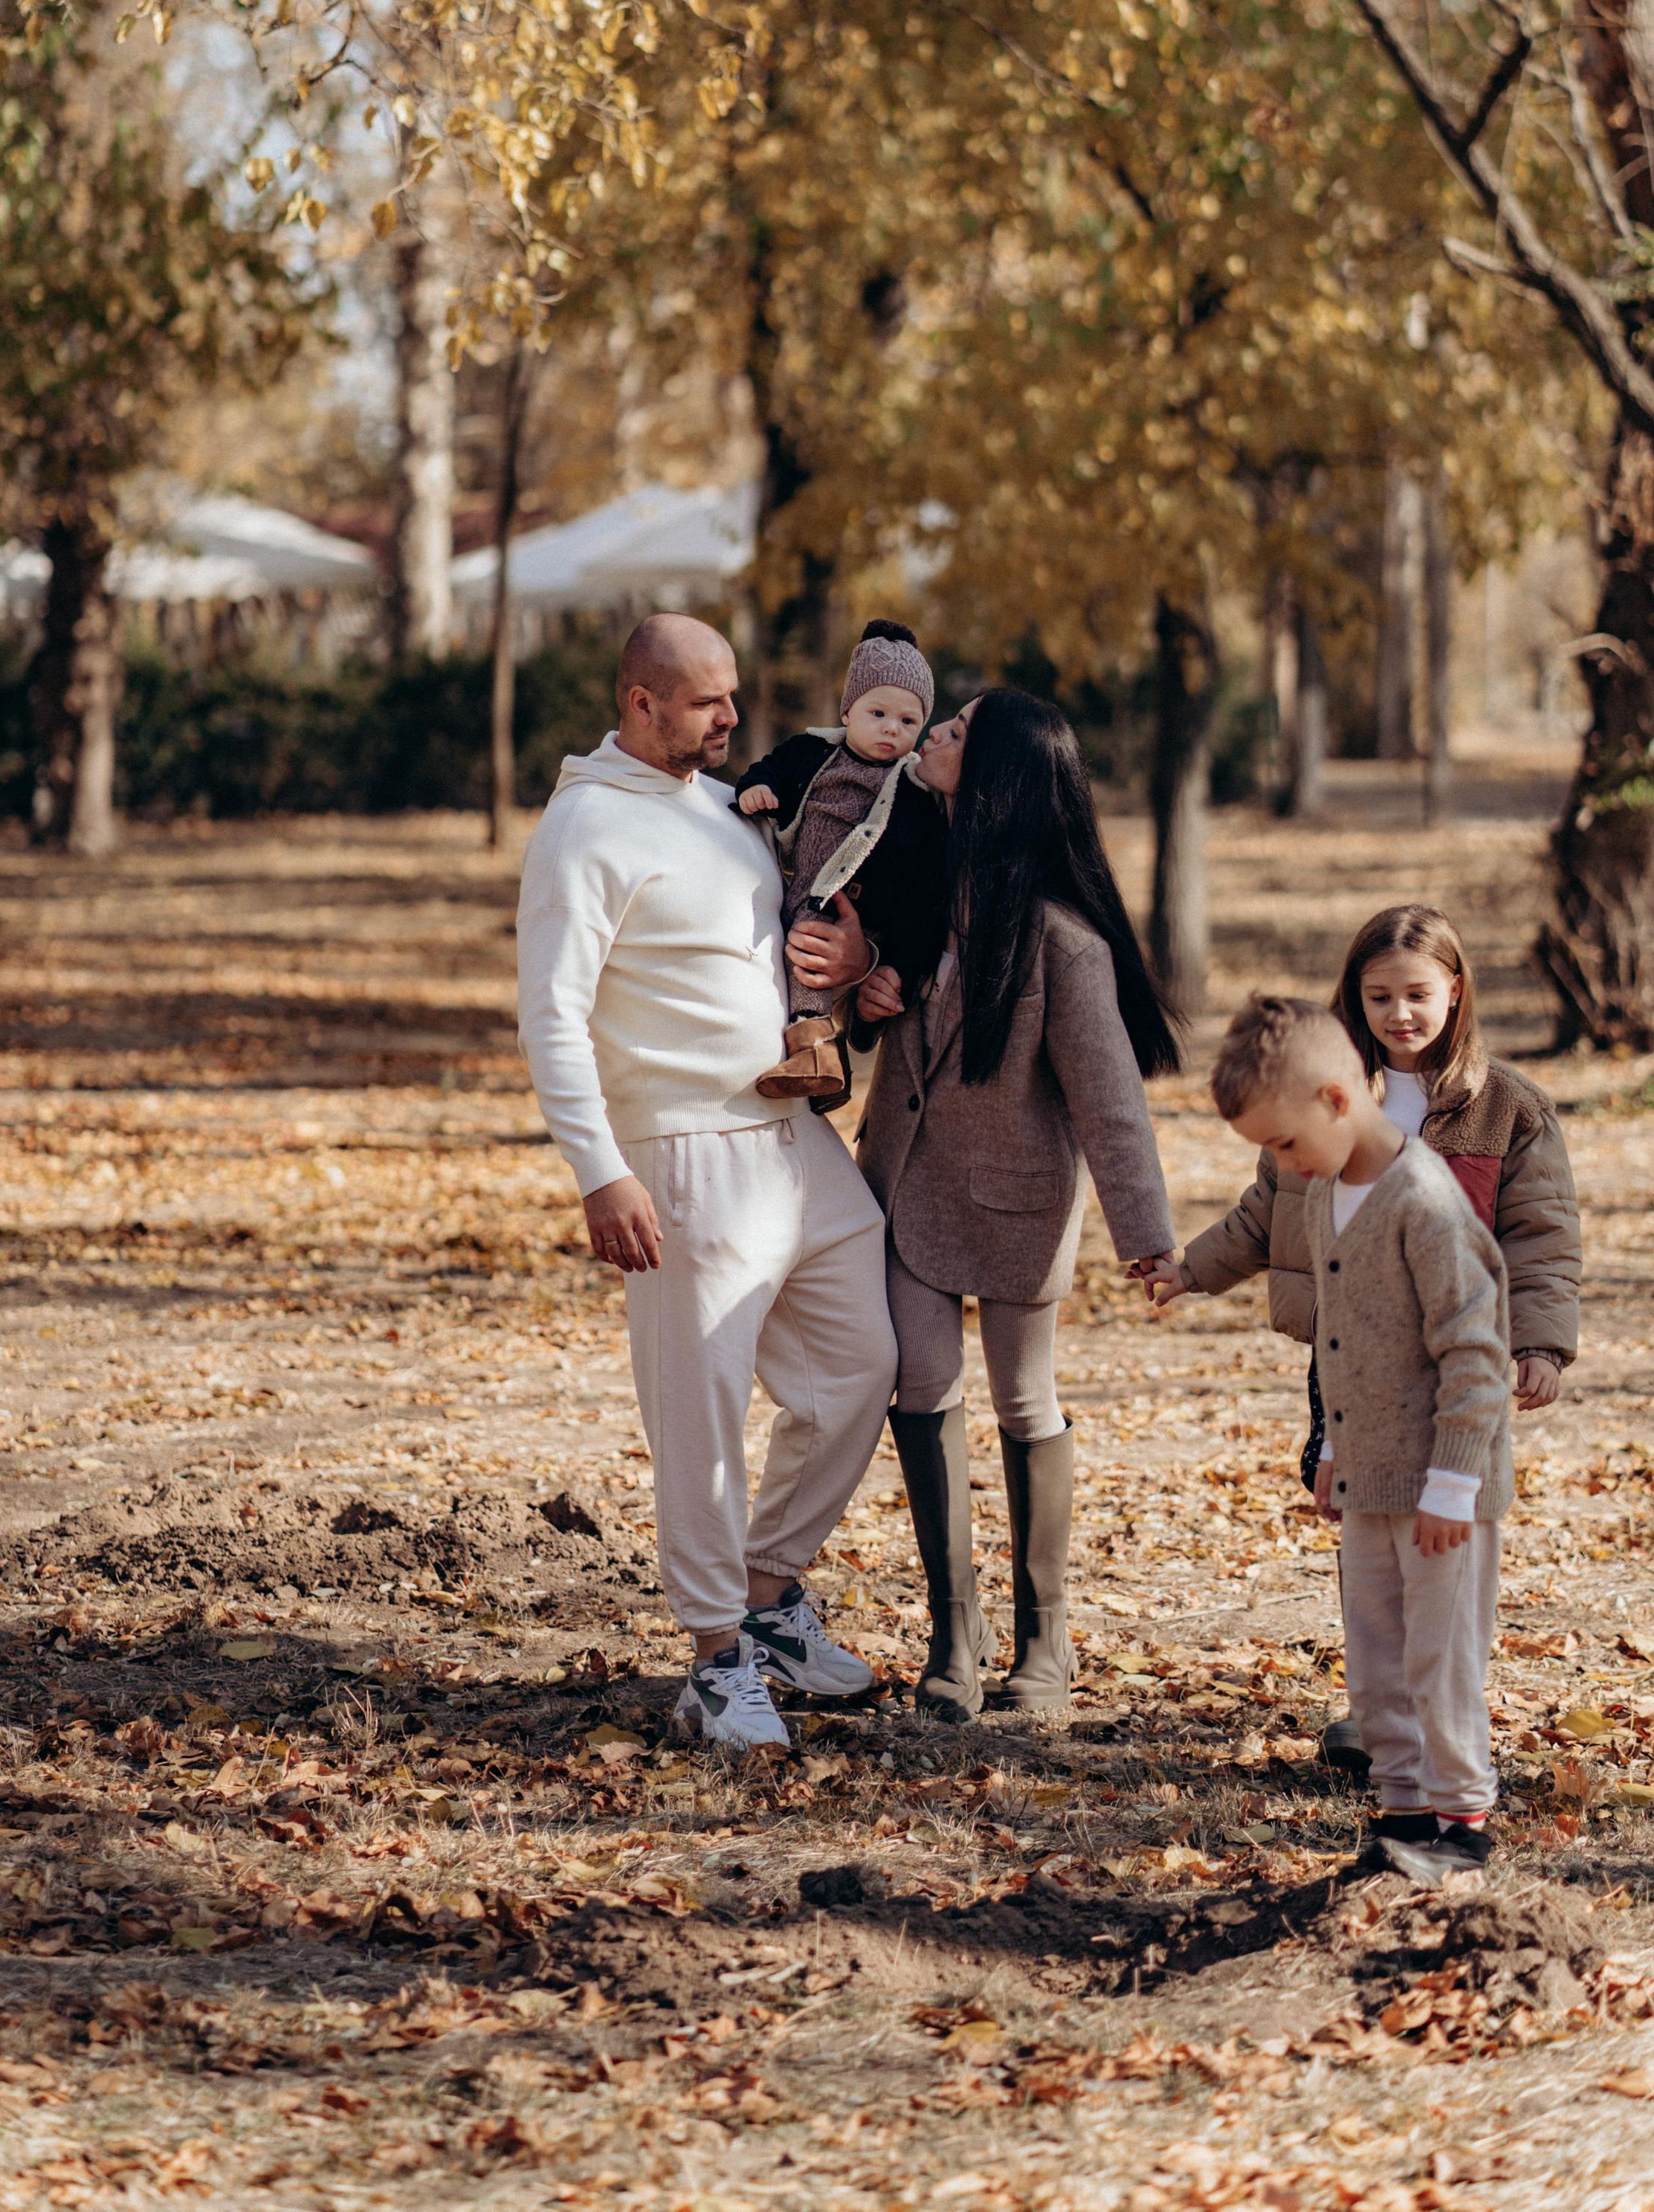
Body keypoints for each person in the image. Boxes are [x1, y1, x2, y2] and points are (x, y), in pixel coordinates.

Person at [514, 613, 896, 1755]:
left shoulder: (726, 810)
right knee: (704, 1411)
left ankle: (770, 1591)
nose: (733, 719)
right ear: (640, 703)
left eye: (733, 696)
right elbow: (553, 1015)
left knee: (862, 1363)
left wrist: (859, 963)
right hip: (681, 1156)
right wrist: (600, 1172)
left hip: (791, 1135)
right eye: (706, 702)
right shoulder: (584, 830)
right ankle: (716, 1659)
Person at [1143, 900, 1578, 1774]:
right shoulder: (1316, 1098)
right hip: (1346, 1345)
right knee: (1360, 1506)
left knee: (1443, 1523)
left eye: (1416, 995)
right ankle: (1376, 1706)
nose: (1399, 1015)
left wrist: (1539, 1345)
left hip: (1459, 1356)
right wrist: (1191, 1269)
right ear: (1355, 1002)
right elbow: (1266, 1214)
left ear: (1454, 992)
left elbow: (1539, 1236)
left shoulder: (1507, 1111)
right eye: (1378, 997)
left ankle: (1439, 1710)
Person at [853, 689, 1180, 1725]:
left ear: (993, 774)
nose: (934, 734)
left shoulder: (1062, 944)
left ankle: (1045, 1638)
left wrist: (1148, 1241)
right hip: (910, 1182)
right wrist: (869, 989)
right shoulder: (919, 878)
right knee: (920, 1380)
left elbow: (1112, 1108)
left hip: (1019, 1202)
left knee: (1024, 1402)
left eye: (955, 731)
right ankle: (957, 1634)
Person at [1204, 994, 1513, 1883]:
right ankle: (1404, 1809)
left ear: (1338, 1101)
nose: (1279, 1164)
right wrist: (1336, 1445)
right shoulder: (1330, 1189)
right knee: (1377, 1653)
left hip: (1442, 1486)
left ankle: (1462, 1825)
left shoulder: (1422, 1199)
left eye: (1285, 1143)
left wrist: (1452, 1482)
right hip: (1372, 1473)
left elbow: (1475, 1350)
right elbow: (1343, 1337)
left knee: (1439, 1655)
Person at [734, 619, 949, 1103]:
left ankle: (817, 1056)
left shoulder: (913, 793)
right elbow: (770, 768)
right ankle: (826, 1073)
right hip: (804, 881)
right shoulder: (811, 751)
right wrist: (757, 788)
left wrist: (894, 955)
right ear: (848, 710)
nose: (892, 729)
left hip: (857, 905)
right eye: (878, 713)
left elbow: (922, 883)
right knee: (798, 956)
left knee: (811, 952)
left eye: (909, 722)